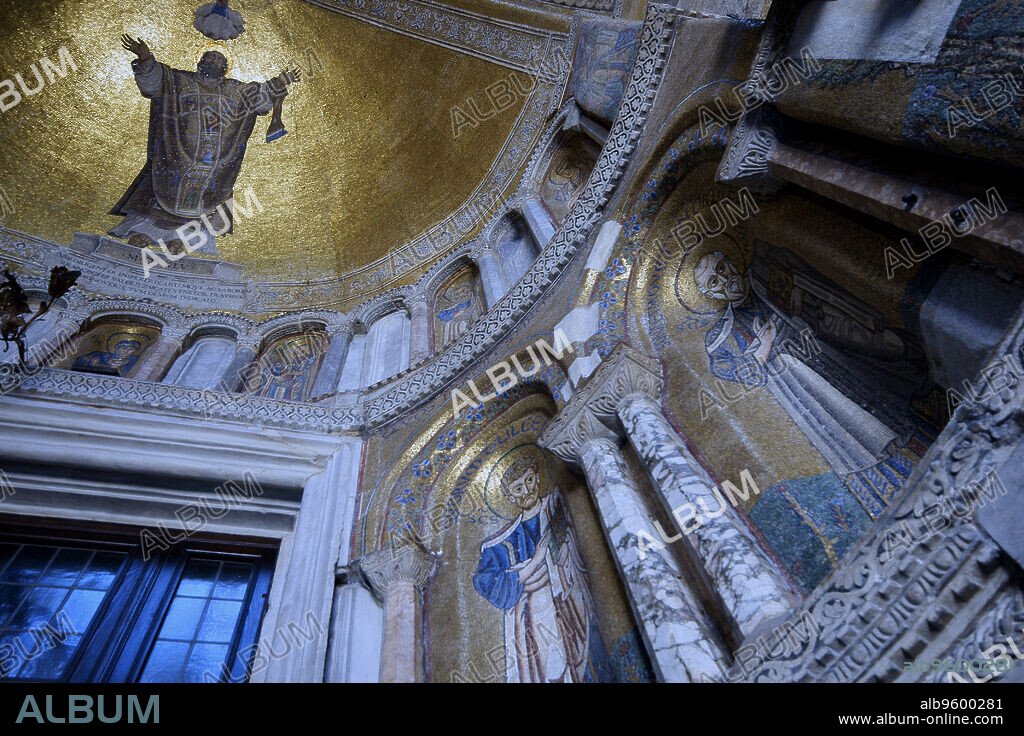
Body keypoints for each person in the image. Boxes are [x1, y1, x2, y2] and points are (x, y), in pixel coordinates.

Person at [109, 35, 300, 253]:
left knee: (205, 199)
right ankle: (142, 232)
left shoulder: (235, 90)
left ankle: (181, 240)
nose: (215, 62)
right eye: (210, 58)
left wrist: (279, 82)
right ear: (200, 62)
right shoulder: (179, 81)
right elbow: (153, 84)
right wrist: (145, 58)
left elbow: (260, 98)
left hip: (214, 164)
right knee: (160, 188)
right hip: (175, 153)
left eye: (220, 61)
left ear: (226, 68)